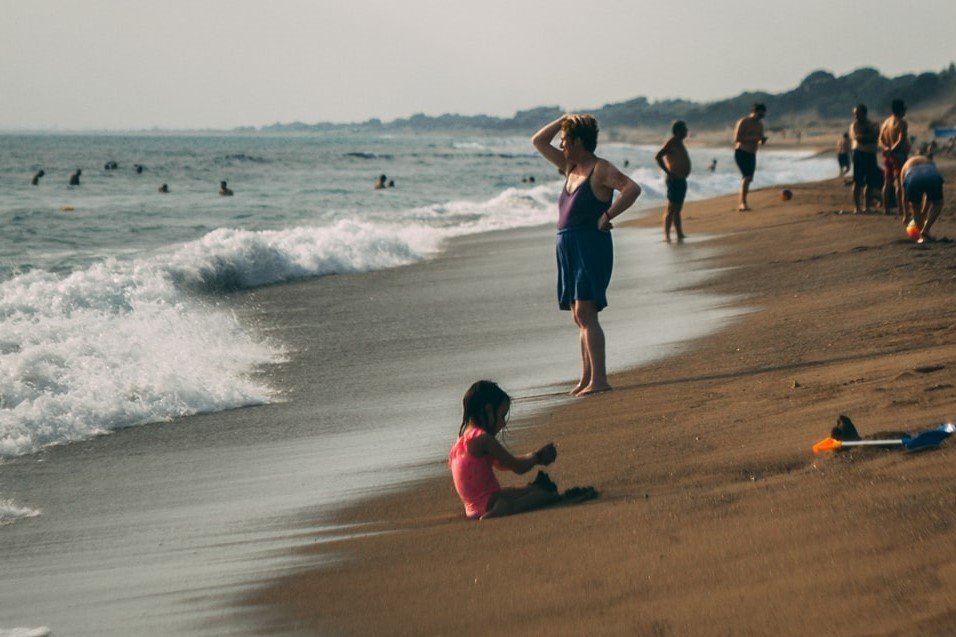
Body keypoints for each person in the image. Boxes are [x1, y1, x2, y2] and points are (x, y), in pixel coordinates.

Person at [532, 114, 641, 396]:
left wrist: (607, 215)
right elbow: (539, 141)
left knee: (586, 312)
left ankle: (600, 380)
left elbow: (631, 189)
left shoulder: (600, 168)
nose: (562, 146)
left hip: (590, 244)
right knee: (578, 316)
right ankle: (586, 378)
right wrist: (563, 120)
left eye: (566, 141)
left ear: (579, 142)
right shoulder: (570, 166)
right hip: (567, 246)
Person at [655, 120, 691, 242]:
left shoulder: (680, 143)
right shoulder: (672, 143)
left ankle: (679, 233)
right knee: (671, 208)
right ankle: (667, 235)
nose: (686, 132)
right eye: (684, 130)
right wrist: (668, 172)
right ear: (677, 131)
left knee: (678, 208)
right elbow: (658, 156)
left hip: (681, 179)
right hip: (674, 180)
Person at [900, 154, 945, 244]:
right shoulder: (928, 160)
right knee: (938, 203)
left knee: (915, 207)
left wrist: (906, 215)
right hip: (931, 174)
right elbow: (929, 195)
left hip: (913, 177)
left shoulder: (906, 165)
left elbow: (905, 196)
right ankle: (926, 229)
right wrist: (924, 212)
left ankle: (922, 236)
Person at [733, 103, 768, 211]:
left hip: (752, 153)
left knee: (749, 179)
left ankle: (743, 201)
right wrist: (754, 138)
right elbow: (736, 138)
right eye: (759, 115)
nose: (760, 118)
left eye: (762, 116)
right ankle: (742, 203)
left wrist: (761, 140)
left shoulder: (760, 125)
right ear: (753, 112)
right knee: (746, 177)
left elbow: (759, 139)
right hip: (741, 152)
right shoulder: (744, 121)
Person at [879, 99, 910, 218]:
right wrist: (892, 149)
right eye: (904, 109)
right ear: (901, 110)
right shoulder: (902, 122)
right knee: (900, 184)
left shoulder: (886, 122)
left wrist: (886, 149)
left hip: (887, 155)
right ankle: (901, 210)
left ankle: (886, 209)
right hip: (898, 155)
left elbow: (880, 140)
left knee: (887, 182)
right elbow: (901, 139)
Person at [849, 104, 882, 214]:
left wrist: (865, 137)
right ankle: (857, 207)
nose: (856, 116)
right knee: (857, 181)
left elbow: (875, 136)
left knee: (870, 182)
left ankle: (867, 206)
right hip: (859, 154)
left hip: (870, 154)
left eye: (858, 114)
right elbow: (858, 138)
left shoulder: (874, 124)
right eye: (855, 114)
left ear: (864, 113)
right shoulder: (854, 125)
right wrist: (868, 137)